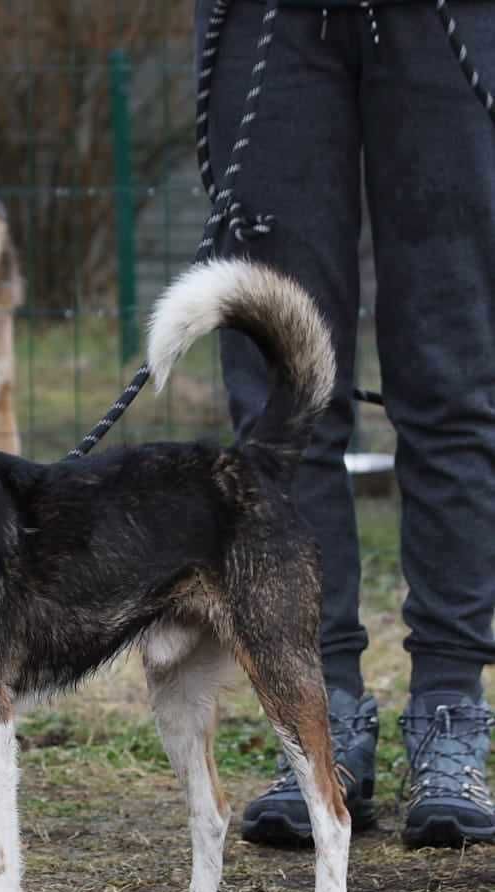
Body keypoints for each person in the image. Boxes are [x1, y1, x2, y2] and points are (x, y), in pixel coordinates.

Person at [194, 0, 495, 848]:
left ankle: (449, 711)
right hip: (269, 23)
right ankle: (318, 718)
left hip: (448, 21)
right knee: (285, 390)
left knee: (455, 375)